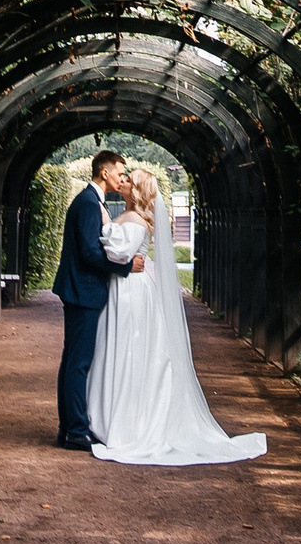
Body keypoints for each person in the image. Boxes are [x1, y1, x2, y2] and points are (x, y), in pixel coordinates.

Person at [86, 167, 266, 465]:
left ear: (138, 190)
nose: (125, 181)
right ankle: (111, 417)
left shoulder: (135, 220)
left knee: (127, 349)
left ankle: (122, 424)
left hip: (130, 291)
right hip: (126, 287)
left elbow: (119, 253)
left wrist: (105, 226)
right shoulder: (136, 216)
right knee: (121, 349)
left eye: (130, 180)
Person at [51, 150, 144, 450]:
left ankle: (69, 427)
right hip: (83, 291)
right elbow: (90, 253)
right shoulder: (90, 203)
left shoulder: (90, 201)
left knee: (72, 361)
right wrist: (127, 267)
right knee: (79, 362)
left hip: (80, 290)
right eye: (119, 173)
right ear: (104, 173)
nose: (122, 178)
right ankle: (76, 430)